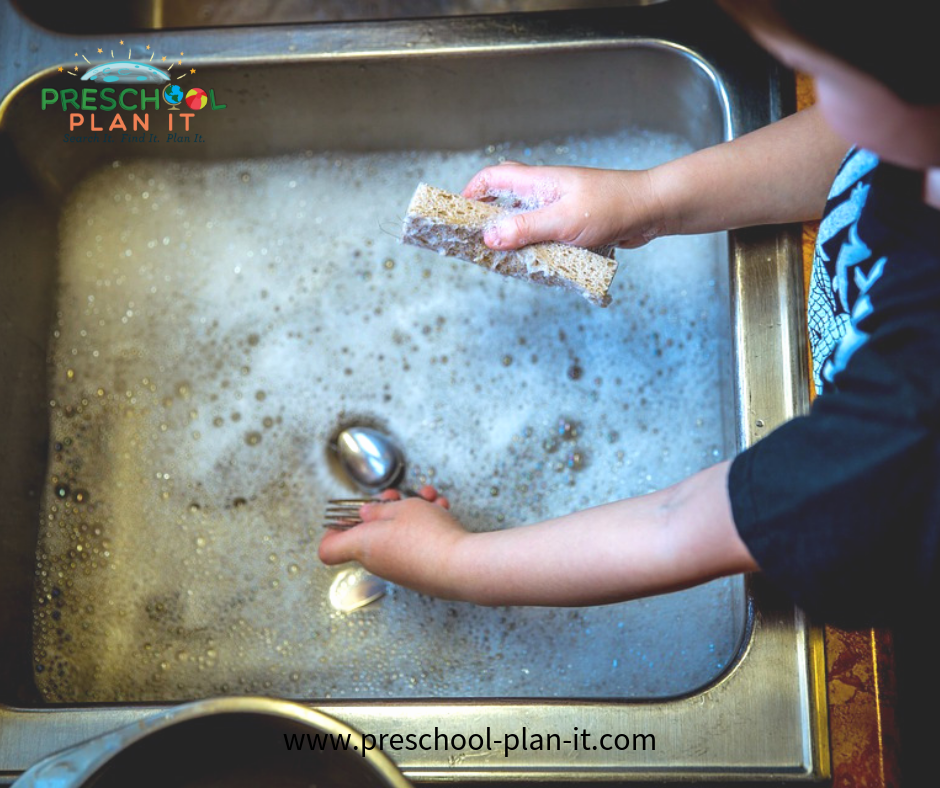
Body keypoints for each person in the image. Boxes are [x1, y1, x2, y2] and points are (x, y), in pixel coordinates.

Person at [321, 0, 939, 777]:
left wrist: (457, 565)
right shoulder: (917, 136)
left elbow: (681, 525)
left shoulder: (907, 430)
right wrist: (647, 200)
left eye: (820, 75)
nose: (813, 95)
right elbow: (857, 145)